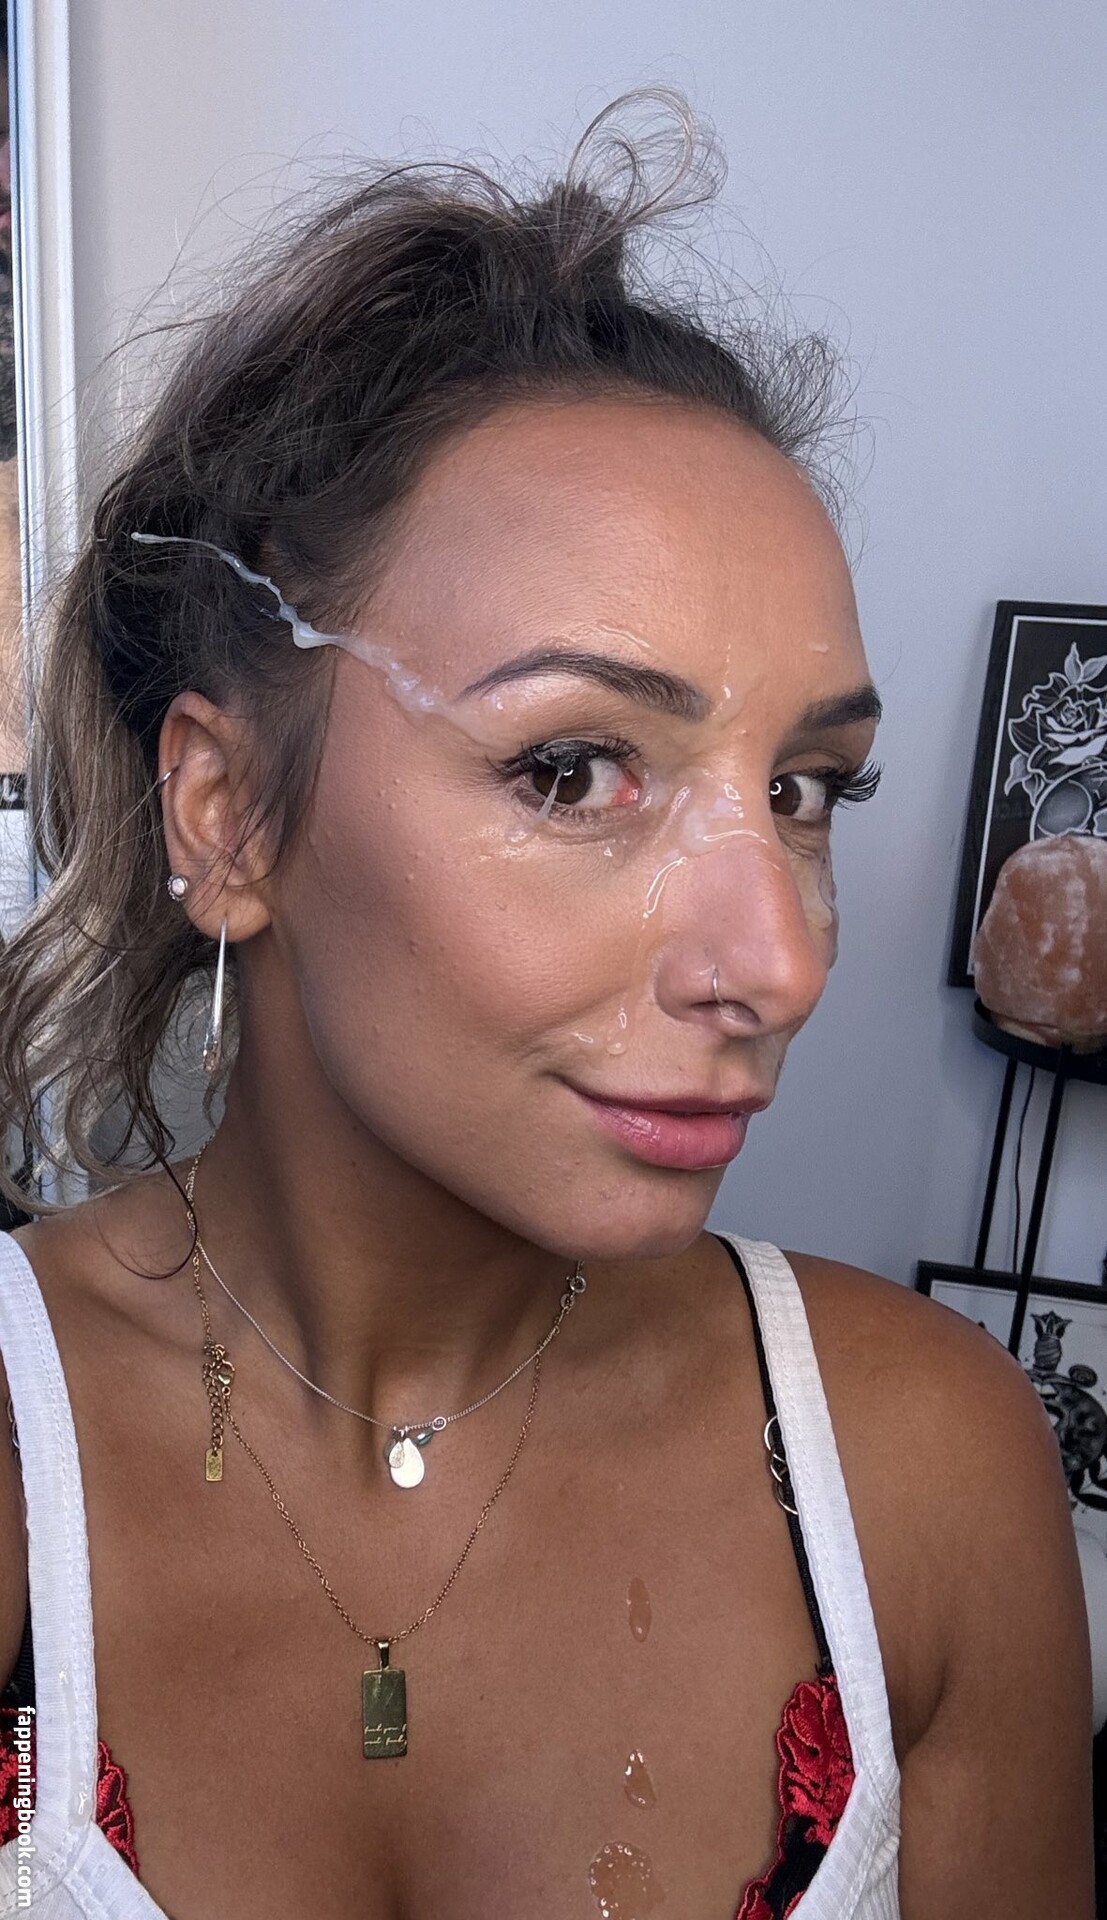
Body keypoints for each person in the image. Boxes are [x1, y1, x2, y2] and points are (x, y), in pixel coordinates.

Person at [0, 89, 1093, 1918]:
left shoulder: (926, 1480)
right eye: (574, 771)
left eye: (806, 788)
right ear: (229, 814)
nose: (780, 961)